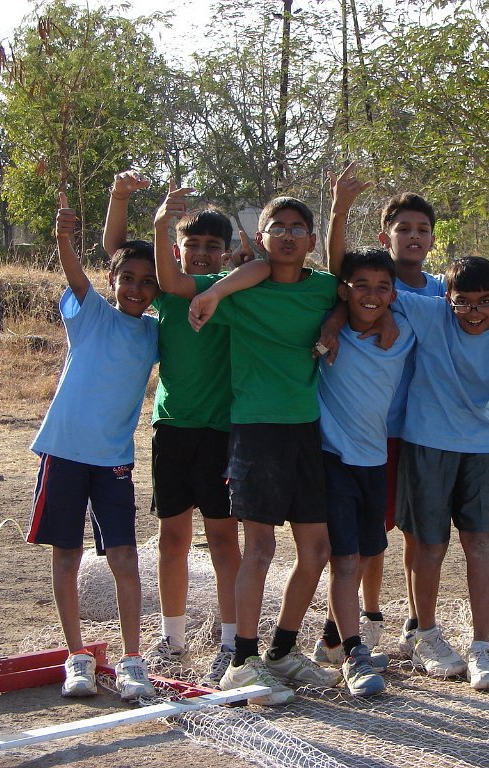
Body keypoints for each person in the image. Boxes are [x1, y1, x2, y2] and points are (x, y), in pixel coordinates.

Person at [326, 162, 489, 657]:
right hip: (373, 428)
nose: (413, 236)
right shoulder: (378, 285)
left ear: (433, 239)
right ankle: (355, 625)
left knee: (419, 536)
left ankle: (418, 626)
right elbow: (342, 283)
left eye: (422, 229)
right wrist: (339, 213)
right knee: (372, 535)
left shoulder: (440, 292)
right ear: (385, 236)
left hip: (423, 431)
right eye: (404, 228)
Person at [104, 171, 267, 686]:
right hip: (172, 429)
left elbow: (265, 268)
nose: (201, 253)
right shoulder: (168, 290)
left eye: (212, 246)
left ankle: (230, 642)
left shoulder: (233, 292)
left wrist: (249, 256)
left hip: (221, 433)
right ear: (176, 249)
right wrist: (133, 205)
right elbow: (116, 252)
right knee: (171, 538)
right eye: (191, 244)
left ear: (225, 252)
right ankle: (172, 637)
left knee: (222, 539)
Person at [185, 195, 343, 705]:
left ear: (311, 241)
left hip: (306, 430)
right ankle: (242, 663)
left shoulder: (323, 287)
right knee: (260, 548)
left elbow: (346, 294)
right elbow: (181, 284)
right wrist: (220, 286)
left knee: (316, 551)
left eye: (298, 228)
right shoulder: (239, 291)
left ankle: (281, 652)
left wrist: (334, 323)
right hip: (255, 430)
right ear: (261, 238)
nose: (289, 235)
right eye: (279, 227)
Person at [28, 190, 160, 702]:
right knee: (67, 555)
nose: (136, 288)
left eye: (147, 281)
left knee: (124, 557)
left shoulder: (154, 333)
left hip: (113, 462)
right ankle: (77, 656)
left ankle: (132, 660)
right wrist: (64, 236)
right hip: (64, 452)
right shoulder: (90, 313)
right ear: (112, 279)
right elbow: (75, 273)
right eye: (128, 278)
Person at [392, 255, 489, 691]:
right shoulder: (430, 312)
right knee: (430, 546)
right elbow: (364, 287)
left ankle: (481, 647)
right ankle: (425, 634)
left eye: (485, 301)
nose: (474, 312)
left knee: (480, 544)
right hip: (426, 443)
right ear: (446, 297)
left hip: (480, 448)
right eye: (463, 301)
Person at [314, 247, 416, 696]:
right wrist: (334, 321)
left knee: (370, 551)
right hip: (331, 458)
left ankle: (330, 641)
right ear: (344, 291)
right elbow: (332, 279)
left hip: (375, 460)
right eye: (361, 286)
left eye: (382, 288)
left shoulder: (404, 331)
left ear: (393, 294)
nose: (371, 295)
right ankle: (355, 656)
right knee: (345, 559)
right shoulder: (325, 332)